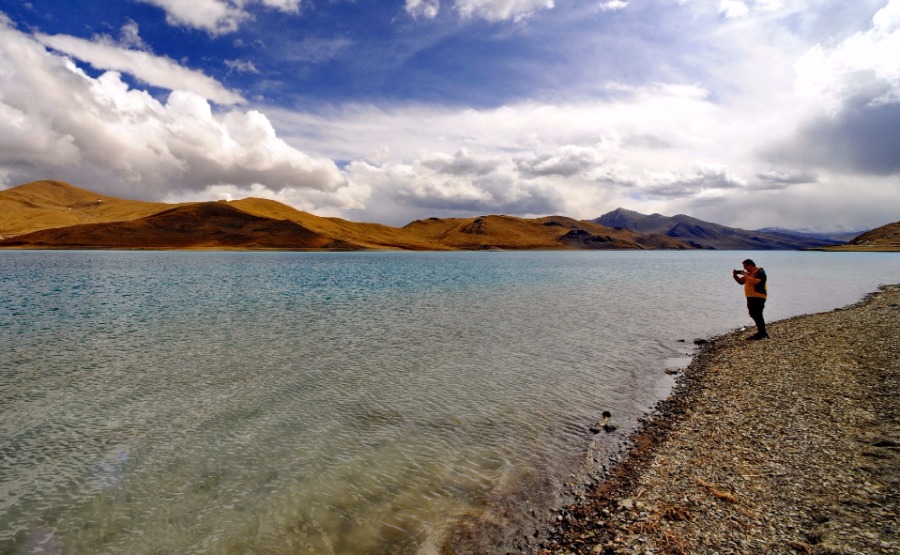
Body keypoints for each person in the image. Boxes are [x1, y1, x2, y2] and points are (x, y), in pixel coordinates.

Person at [733, 259, 768, 340]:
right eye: (744, 267)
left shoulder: (760, 272)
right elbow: (741, 282)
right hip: (751, 296)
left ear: (750, 265)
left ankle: (762, 333)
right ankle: (762, 332)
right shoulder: (749, 274)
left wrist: (745, 275)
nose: (744, 269)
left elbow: (756, 282)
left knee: (757, 314)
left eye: (745, 266)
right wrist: (735, 276)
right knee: (753, 313)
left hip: (759, 296)